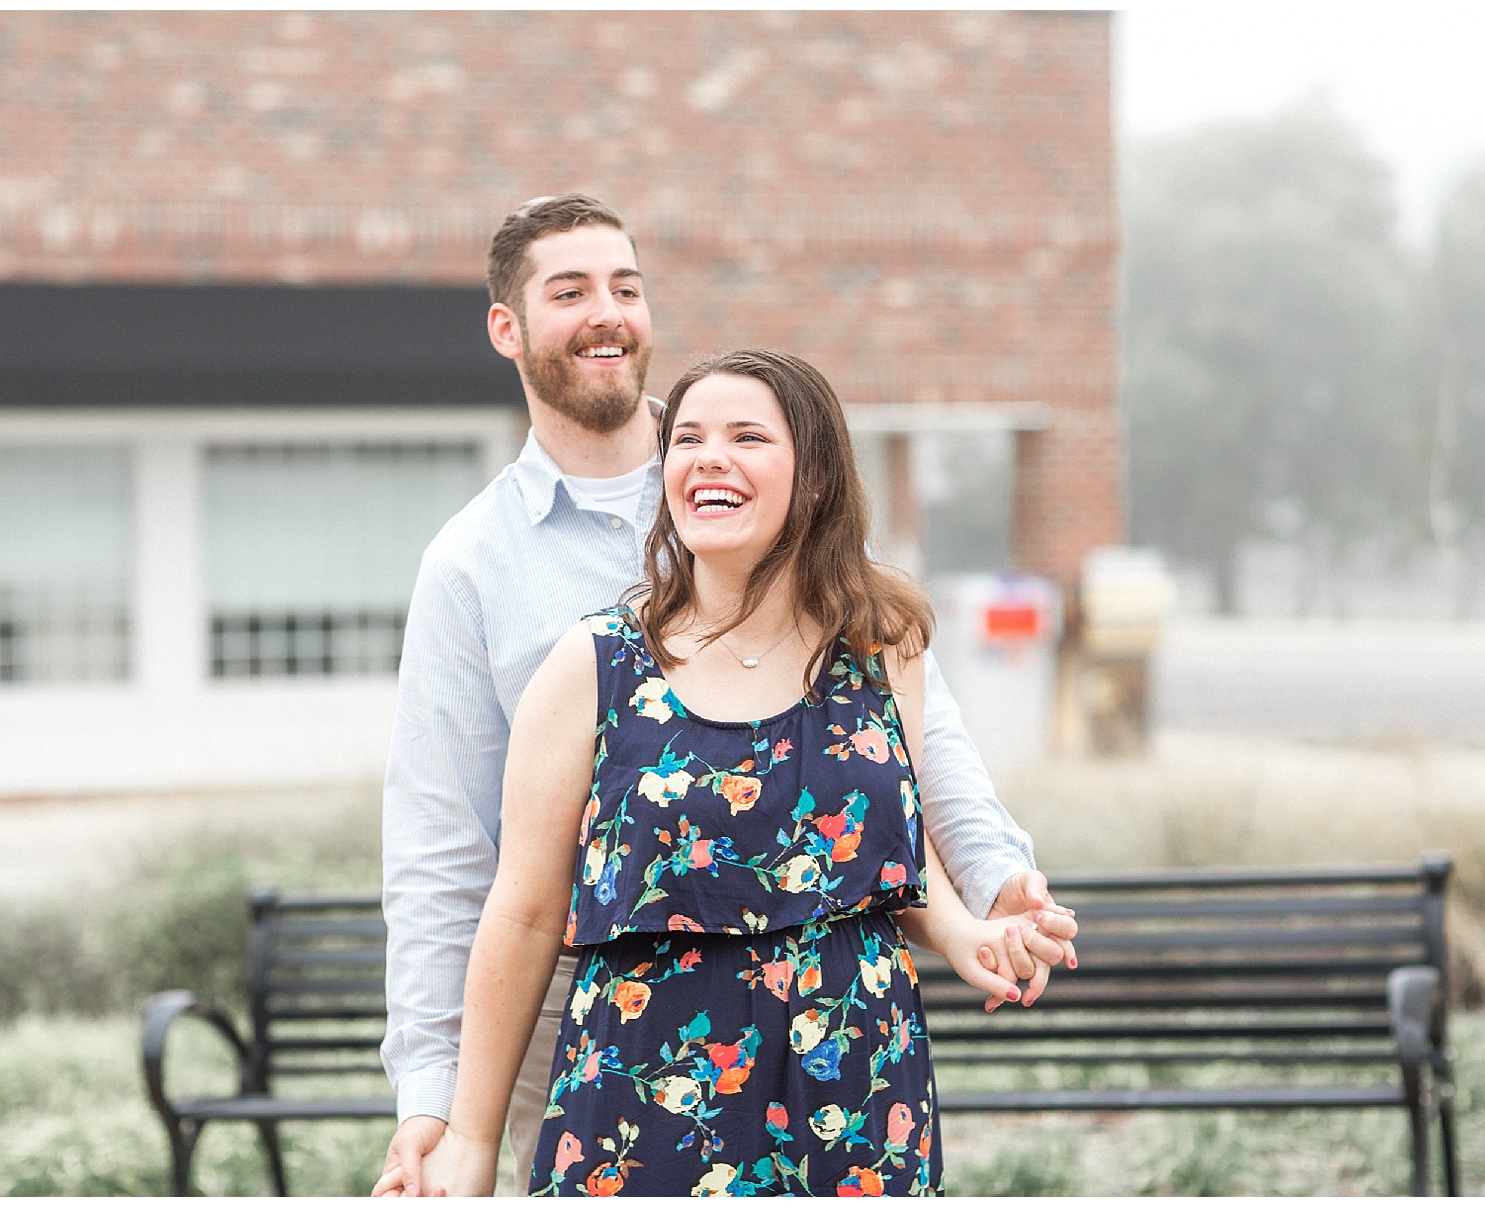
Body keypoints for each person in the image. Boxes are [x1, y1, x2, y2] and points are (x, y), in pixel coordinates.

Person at [374, 195, 1076, 1197]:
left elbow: (907, 766)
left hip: (841, 1060)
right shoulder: (478, 569)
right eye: (569, 292)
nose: (606, 311)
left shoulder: (758, 486)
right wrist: (439, 1104)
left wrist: (992, 883)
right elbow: (451, 855)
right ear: (508, 328)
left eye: (626, 285)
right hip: (590, 1019)